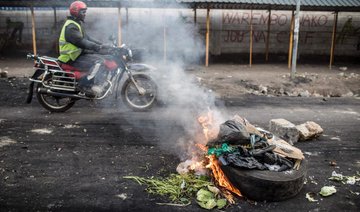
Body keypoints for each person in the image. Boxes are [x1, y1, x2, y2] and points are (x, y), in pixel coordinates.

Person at [58, 0, 111, 96]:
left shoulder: (77, 23)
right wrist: (97, 47)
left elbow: (88, 38)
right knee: (99, 62)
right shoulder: (71, 27)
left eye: (85, 12)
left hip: (77, 55)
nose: (85, 14)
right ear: (75, 12)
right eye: (83, 12)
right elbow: (81, 42)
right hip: (70, 57)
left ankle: (95, 83)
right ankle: (84, 85)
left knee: (100, 58)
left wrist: (103, 45)